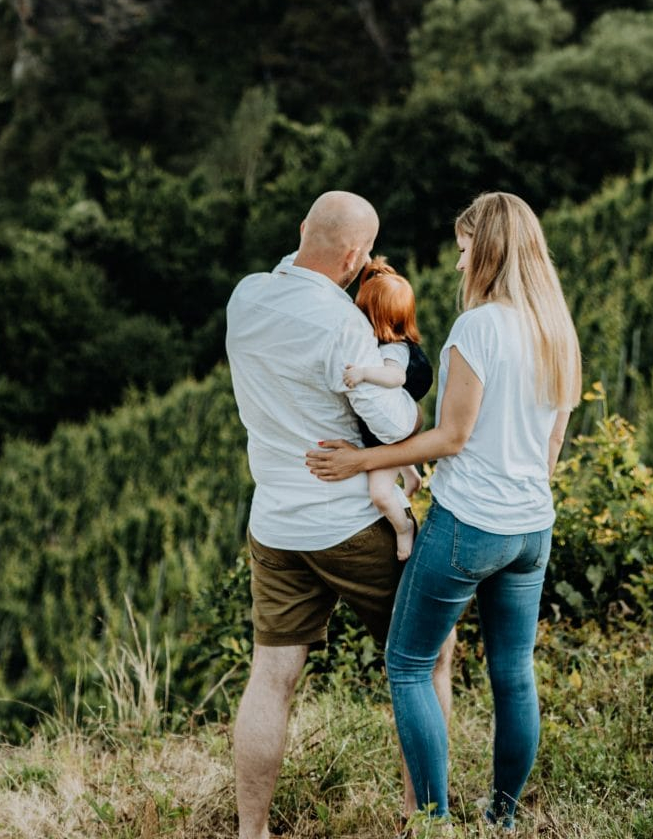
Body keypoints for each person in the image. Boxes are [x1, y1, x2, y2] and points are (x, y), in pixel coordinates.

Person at [306, 190, 582, 828]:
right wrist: (519, 495)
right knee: (513, 673)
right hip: (531, 527)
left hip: (470, 524)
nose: (459, 265)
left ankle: (432, 823)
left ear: (489, 251)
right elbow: (552, 444)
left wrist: (363, 460)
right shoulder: (557, 330)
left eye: (464, 250)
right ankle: (502, 819)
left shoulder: (478, 328)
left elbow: (452, 437)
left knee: (407, 664)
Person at [225, 190, 455, 839]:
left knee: (272, 676)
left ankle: (251, 832)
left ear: (303, 227)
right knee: (428, 656)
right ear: (356, 257)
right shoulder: (342, 324)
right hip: (352, 524)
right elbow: (398, 422)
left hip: (274, 523)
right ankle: (420, 820)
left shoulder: (245, 297)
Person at [342, 254, 434, 558]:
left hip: (395, 429)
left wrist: (364, 373)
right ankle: (412, 476)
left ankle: (403, 528)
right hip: (395, 428)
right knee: (392, 448)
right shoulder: (389, 341)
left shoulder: (395, 349)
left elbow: (396, 377)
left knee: (380, 494)